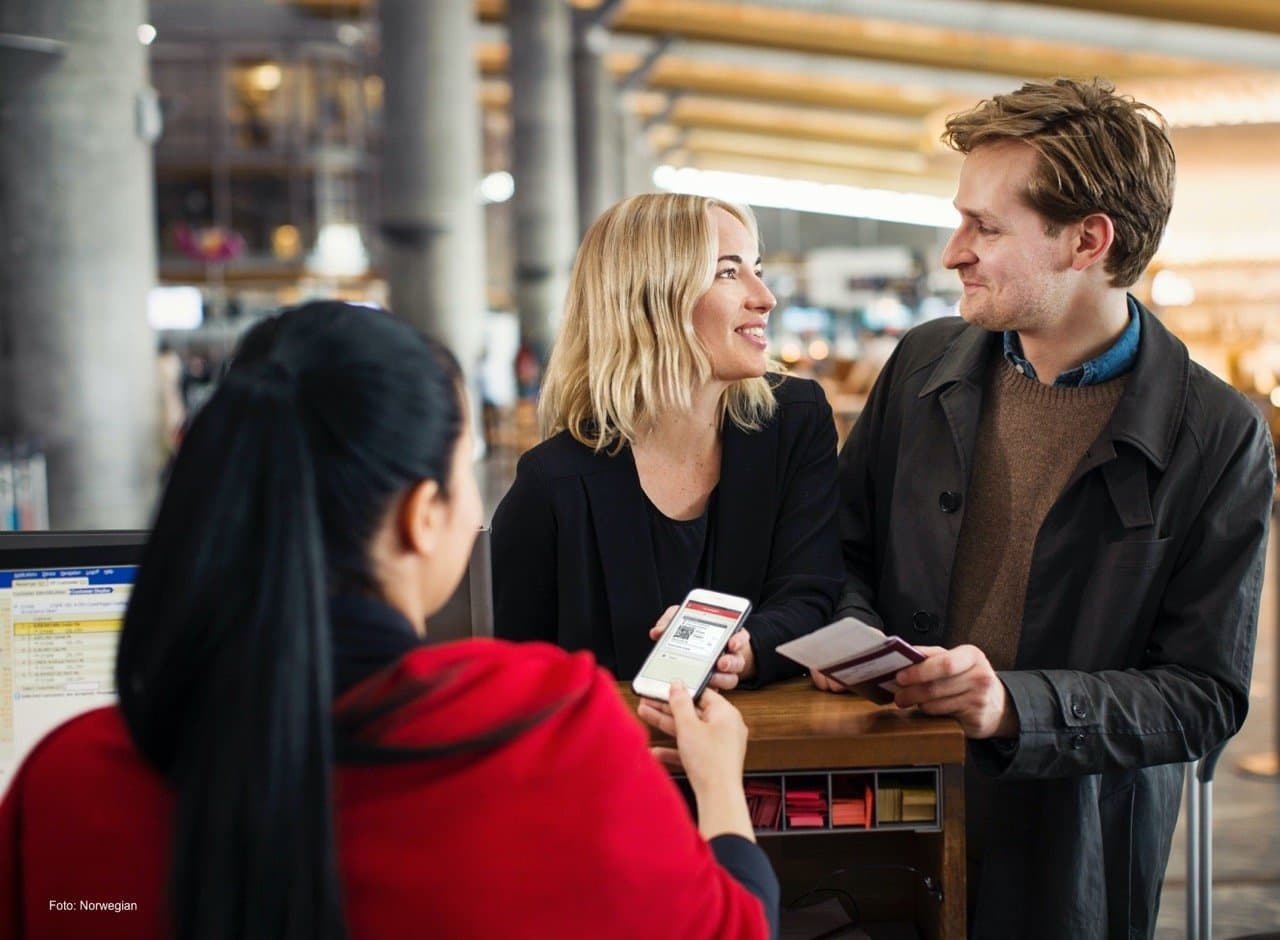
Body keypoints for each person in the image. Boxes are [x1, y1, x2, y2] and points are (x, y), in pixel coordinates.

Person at [0, 302, 779, 939]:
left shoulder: (64, 783)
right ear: (421, 515)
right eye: (464, 468)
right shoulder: (546, 730)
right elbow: (734, 928)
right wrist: (718, 786)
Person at [822, 78, 1275, 937]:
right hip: (884, 805)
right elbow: (841, 550)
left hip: (1072, 853)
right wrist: (852, 642)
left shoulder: (1216, 435)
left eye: (986, 227)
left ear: (1088, 241)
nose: (953, 252)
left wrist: (1014, 707)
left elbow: (1202, 696)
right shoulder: (920, 365)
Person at [491, 193, 843, 688]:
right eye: (728, 272)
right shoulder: (554, 483)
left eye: (757, 269)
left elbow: (812, 591)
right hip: (620, 737)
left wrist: (744, 650)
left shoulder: (796, 421)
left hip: (772, 732)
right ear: (650, 299)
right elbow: (520, 676)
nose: (766, 297)